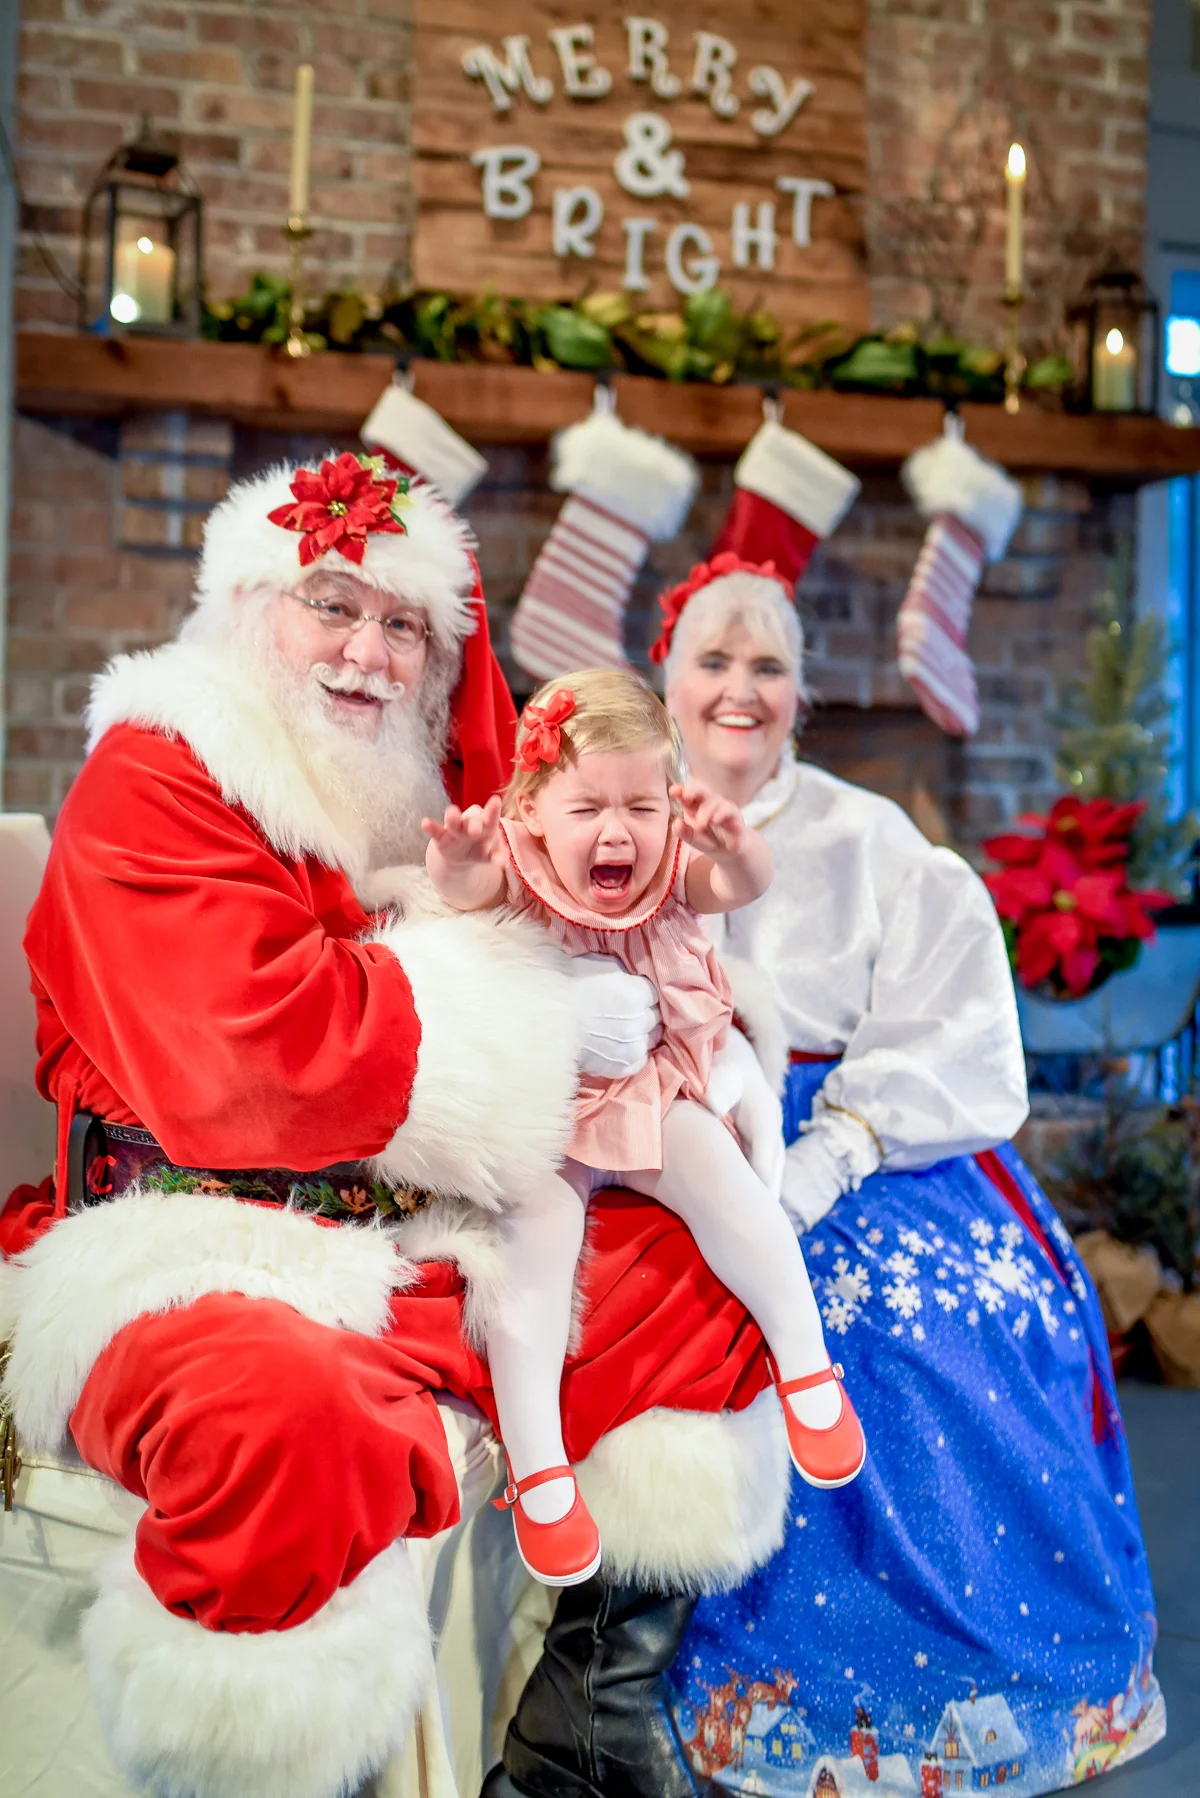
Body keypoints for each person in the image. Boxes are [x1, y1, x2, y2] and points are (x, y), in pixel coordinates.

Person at [0, 456, 792, 1798]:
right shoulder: (161, 771)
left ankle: (579, 1735)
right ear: (256, 606)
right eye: (333, 605)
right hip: (188, 1234)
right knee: (286, 1424)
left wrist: (699, 1034)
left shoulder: (409, 788)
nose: (369, 652)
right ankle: (260, 1769)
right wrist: (542, 1022)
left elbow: (577, 901)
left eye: (403, 624)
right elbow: (256, 1058)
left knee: (702, 1279)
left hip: (403, 1224)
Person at [638, 554, 1161, 1794]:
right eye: (713, 661)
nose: (740, 689)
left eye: (768, 666)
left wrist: (830, 1158)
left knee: (938, 1326)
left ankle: (960, 1684)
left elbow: (946, 1019)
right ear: (666, 683)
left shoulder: (867, 836)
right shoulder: (615, 812)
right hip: (672, 1125)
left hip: (866, 1130)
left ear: (801, 695)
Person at [424, 668, 864, 1587]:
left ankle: (807, 1365)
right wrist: (459, 857)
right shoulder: (521, 861)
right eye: (587, 807)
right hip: (550, 1104)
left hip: (655, 1091)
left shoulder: (668, 867)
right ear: (532, 808)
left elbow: (738, 885)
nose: (617, 831)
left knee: (736, 1198)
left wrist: (736, 847)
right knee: (533, 1251)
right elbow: (465, 893)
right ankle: (541, 1469)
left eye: (641, 804)